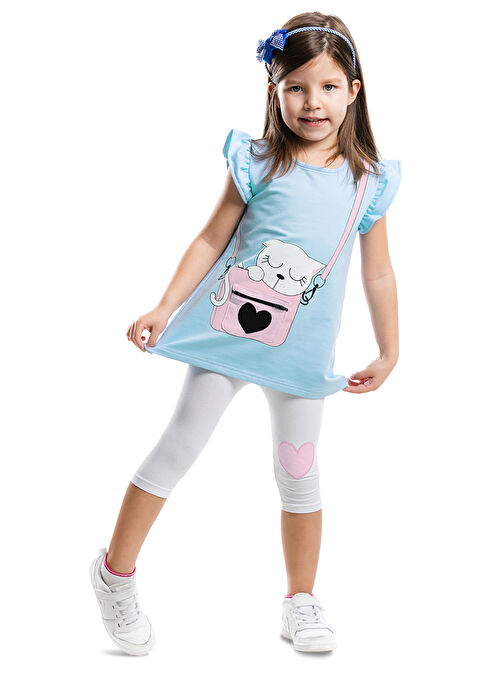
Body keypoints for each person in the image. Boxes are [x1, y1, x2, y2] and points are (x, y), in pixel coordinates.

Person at [90, 11, 402, 655]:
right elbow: (211, 238)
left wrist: (389, 348)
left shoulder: (368, 182)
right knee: (177, 449)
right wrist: (164, 306)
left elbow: (378, 272)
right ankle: (114, 574)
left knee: (300, 474)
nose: (312, 102)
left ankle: (300, 601)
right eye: (296, 87)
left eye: (327, 87)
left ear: (353, 91)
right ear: (273, 91)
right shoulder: (256, 162)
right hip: (226, 338)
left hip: (301, 357)